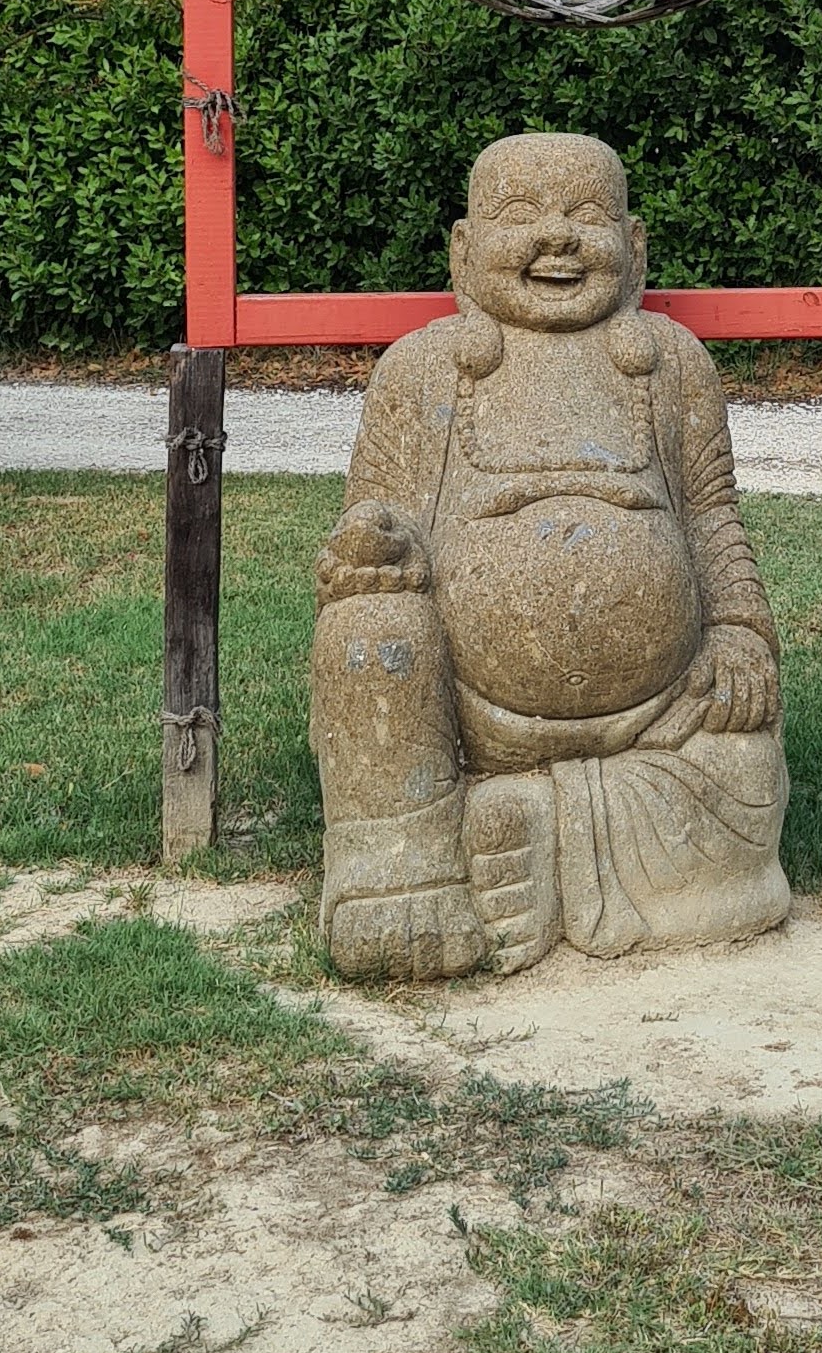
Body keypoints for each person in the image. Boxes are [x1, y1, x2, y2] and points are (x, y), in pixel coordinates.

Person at [310, 131, 790, 978]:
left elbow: (712, 518)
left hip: (659, 720)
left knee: (748, 774)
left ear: (634, 248)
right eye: (522, 215)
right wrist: (371, 549)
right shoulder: (422, 371)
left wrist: (740, 632)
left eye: (587, 216)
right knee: (369, 631)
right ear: (464, 252)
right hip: (469, 713)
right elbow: (373, 525)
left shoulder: (672, 365)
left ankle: (532, 826)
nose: (558, 236)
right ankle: (398, 871)